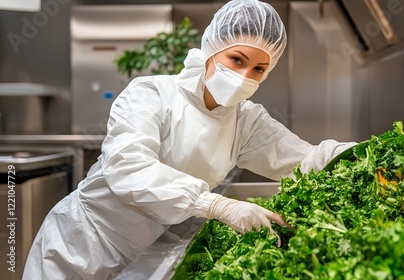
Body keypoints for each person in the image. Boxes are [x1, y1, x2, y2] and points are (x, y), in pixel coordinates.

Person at [23, 0, 356, 279]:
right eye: (237, 59)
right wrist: (214, 204)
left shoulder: (245, 120)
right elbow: (127, 168)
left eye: (258, 69)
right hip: (81, 246)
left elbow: (302, 159)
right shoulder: (152, 94)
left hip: (145, 256)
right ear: (212, 49)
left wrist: (360, 154)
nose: (244, 76)